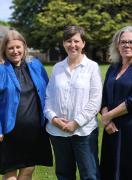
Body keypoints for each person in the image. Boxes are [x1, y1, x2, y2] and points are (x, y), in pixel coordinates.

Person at [0, 29, 53, 180]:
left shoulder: (35, 65)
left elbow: (47, 91)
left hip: (33, 130)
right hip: (6, 130)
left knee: (28, 170)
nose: (15, 51)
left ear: (24, 47)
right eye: (11, 48)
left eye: (18, 47)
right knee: (10, 173)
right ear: (4, 49)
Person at [44, 25, 102, 180]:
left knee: (90, 175)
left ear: (83, 43)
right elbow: (48, 97)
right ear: (63, 44)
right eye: (68, 41)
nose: (72, 45)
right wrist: (54, 119)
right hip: (58, 132)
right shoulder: (57, 68)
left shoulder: (92, 67)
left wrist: (76, 123)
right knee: (64, 175)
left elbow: (95, 101)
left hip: (84, 132)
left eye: (76, 41)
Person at [100, 26, 132, 180]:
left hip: (129, 129)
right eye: (123, 42)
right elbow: (104, 96)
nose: (127, 45)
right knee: (110, 168)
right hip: (111, 130)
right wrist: (107, 121)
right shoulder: (113, 68)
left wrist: (108, 116)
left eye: (131, 42)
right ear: (117, 46)